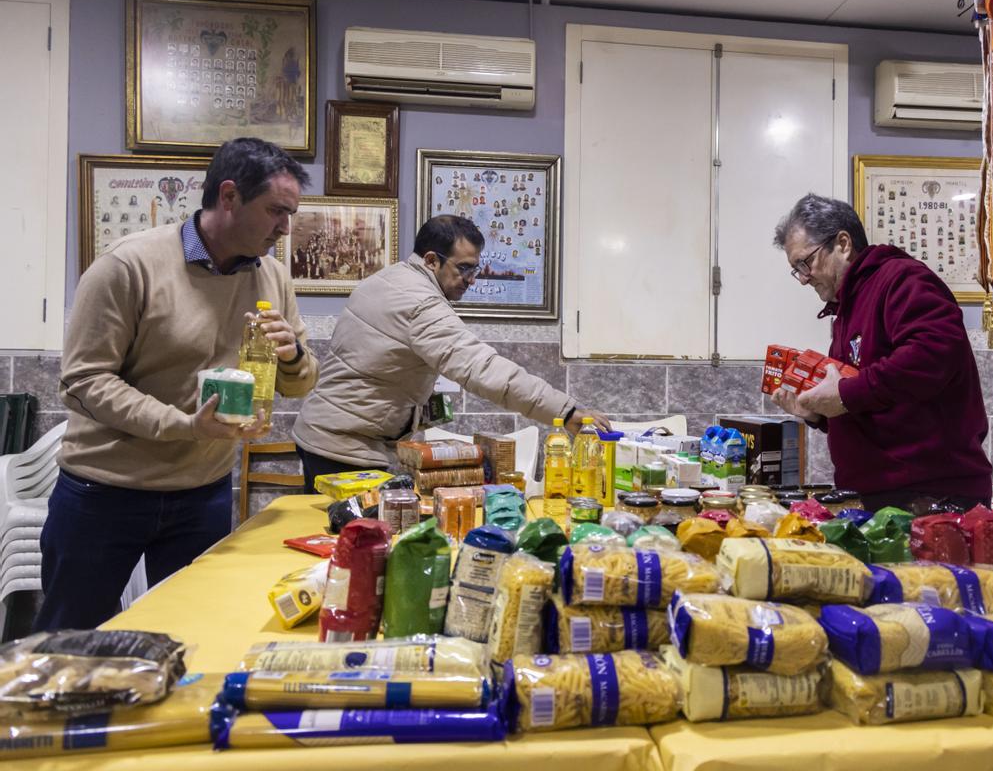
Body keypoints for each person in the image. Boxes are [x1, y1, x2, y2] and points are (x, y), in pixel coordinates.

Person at [37, 137, 319, 629]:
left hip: (202, 490)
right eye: (276, 210)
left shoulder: (273, 275)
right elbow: (84, 380)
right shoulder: (129, 265)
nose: (285, 227)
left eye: (290, 213)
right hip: (105, 489)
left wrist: (292, 355)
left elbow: (299, 384)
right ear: (228, 196)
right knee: (72, 638)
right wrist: (185, 425)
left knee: (191, 631)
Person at [293, 214, 608, 491]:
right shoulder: (419, 302)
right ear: (431, 260)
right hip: (345, 448)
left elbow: (381, 366)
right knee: (354, 549)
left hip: (330, 435)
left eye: (475, 269)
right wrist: (564, 411)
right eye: (464, 269)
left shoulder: (387, 280)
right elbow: (482, 368)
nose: (471, 280)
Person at [770, 193, 992, 513]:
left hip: (930, 498)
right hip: (884, 494)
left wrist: (844, 393)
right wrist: (816, 412)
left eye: (806, 262)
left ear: (843, 244)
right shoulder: (847, 306)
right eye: (797, 270)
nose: (803, 278)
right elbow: (877, 403)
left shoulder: (901, 279)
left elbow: (932, 354)